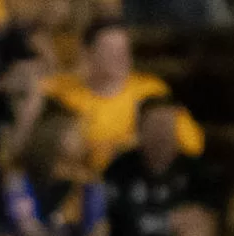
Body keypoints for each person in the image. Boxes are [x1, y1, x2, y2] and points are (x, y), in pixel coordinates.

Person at [43, 21, 204, 175]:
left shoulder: (150, 90)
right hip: (83, 183)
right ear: (87, 52)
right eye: (110, 50)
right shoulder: (62, 93)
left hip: (136, 183)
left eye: (124, 49)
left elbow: (193, 145)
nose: (120, 56)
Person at [103, 98, 213, 236]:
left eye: (168, 125)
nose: (163, 133)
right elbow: (121, 223)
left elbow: (204, 216)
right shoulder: (120, 169)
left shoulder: (195, 171)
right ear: (140, 129)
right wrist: (169, 221)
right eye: (156, 125)